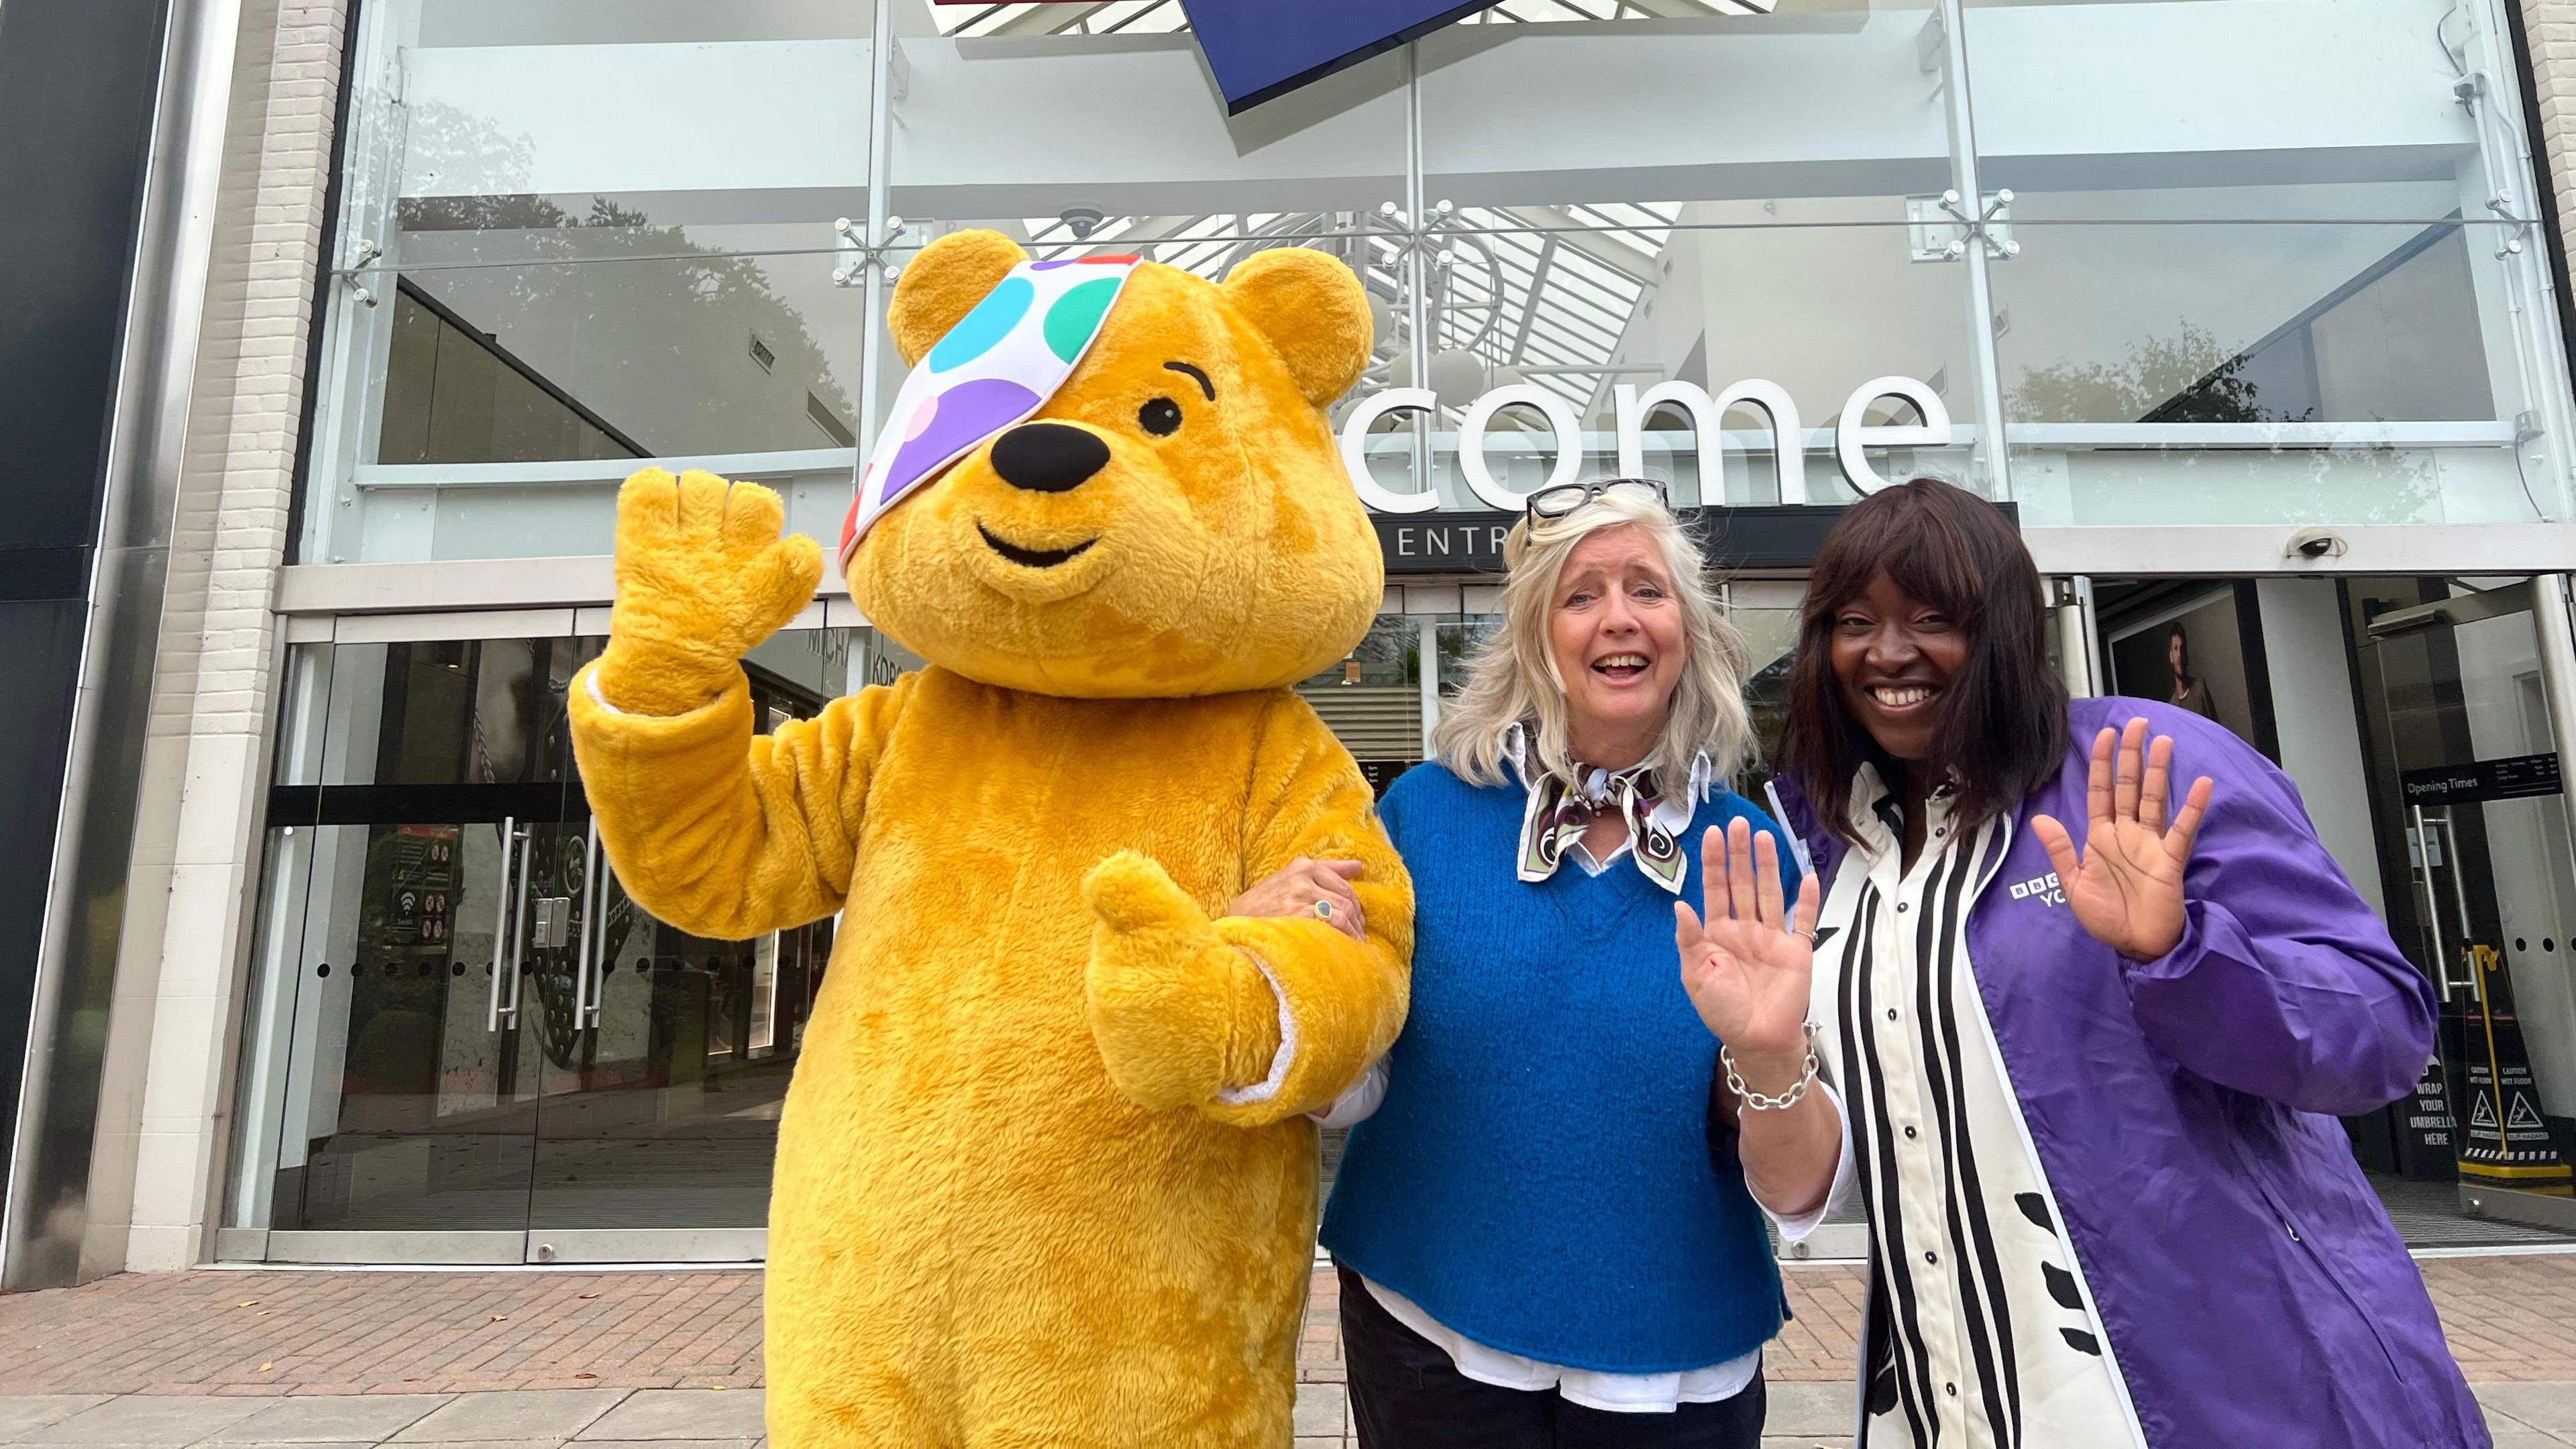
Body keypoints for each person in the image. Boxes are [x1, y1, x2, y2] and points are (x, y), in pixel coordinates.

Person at [1680, 476, 2483, 1447]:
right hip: (1956, 1406)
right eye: (1855, 620)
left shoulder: (2143, 764)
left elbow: (2383, 1033)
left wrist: (2184, 953)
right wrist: (1770, 1060)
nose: (1888, 653)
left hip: (2238, 1399)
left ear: (2007, 630)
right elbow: (1843, 1177)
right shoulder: (1837, 850)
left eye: (1933, 618)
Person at [1242, 478, 1840, 1448]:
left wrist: (1772, 1059)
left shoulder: (1752, 857)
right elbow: (1358, 1089)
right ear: (1534, 637)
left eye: (1646, 589)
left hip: (1675, 1369)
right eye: (1580, 594)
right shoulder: (1422, 818)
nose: (1618, 618)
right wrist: (1293, 976)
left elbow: (1800, 1193)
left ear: (1687, 628)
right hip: (1426, 1336)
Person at [2167, 623, 2217, 719]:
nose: (2179, 655)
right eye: (2175, 649)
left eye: (2182, 649)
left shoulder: (2200, 687)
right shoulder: (2171, 706)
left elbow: (2216, 725)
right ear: (2171, 656)